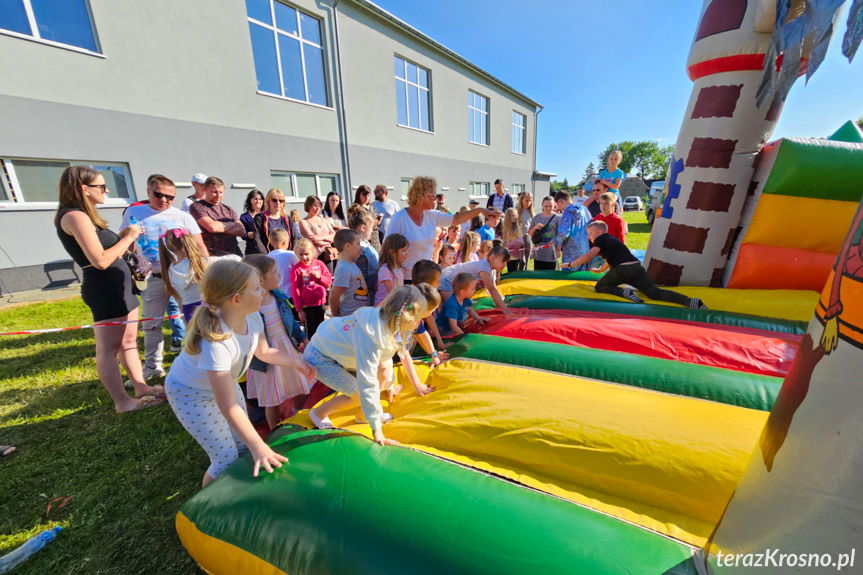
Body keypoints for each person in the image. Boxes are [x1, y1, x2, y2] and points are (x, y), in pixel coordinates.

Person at [165, 259, 316, 486]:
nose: (262, 291)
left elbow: (264, 352)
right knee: (225, 459)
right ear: (236, 299)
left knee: (242, 446)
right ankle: (208, 502)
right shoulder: (217, 343)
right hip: (191, 395)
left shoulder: (252, 316)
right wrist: (259, 446)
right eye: (256, 288)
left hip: (225, 385)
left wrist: (295, 361)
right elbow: (228, 407)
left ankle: (239, 490)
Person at [55, 166, 164, 412]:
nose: (106, 191)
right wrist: (127, 238)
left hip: (120, 286)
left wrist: (124, 238)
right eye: (102, 186)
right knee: (108, 349)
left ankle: (141, 387)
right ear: (84, 189)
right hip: (105, 289)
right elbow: (100, 261)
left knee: (128, 342)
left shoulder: (86, 216)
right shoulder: (74, 216)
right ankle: (122, 402)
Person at [304, 285, 438, 444]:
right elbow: (367, 383)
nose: (420, 323)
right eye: (418, 319)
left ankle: (363, 416)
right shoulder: (371, 337)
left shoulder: (390, 320)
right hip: (320, 357)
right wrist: (377, 432)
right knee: (358, 395)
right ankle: (318, 413)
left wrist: (389, 383)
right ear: (406, 318)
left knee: (384, 372)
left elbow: (395, 352)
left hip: (339, 350)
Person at [121, 174, 208, 380]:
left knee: (193, 318)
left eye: (170, 197)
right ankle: (153, 367)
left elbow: (200, 247)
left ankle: (197, 360)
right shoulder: (134, 213)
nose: (164, 200)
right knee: (151, 324)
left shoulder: (183, 216)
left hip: (183, 278)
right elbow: (126, 243)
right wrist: (133, 264)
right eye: (158, 195)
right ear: (148, 192)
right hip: (153, 277)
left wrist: (205, 273)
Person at [563, 221, 708, 309]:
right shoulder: (612, 240)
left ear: (599, 232)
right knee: (654, 293)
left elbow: (589, 256)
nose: (589, 236)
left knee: (601, 286)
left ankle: (624, 293)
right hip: (636, 268)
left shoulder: (600, 239)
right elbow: (610, 258)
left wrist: (570, 264)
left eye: (590, 233)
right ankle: (691, 302)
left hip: (621, 270)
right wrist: (601, 269)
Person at [243, 255, 313, 430]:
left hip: (288, 348)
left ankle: (296, 412)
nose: (279, 275)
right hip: (266, 358)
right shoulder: (252, 308)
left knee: (302, 384)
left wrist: (304, 339)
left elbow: (291, 323)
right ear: (259, 278)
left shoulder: (278, 296)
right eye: (274, 272)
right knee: (271, 399)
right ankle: (276, 429)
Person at [384, 176, 494, 283]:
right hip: (405, 278)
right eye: (433, 195)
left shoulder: (432, 215)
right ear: (421, 196)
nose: (435, 199)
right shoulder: (399, 218)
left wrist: (480, 210)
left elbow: (456, 219)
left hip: (426, 276)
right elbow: (387, 247)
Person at [160, 227, 238, 324]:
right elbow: (235, 259)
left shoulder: (170, 270)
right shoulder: (202, 263)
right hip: (210, 308)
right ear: (190, 242)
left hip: (188, 311)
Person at [438, 245, 512, 314]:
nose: (505, 264)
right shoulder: (484, 266)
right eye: (503, 261)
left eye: (506, 262)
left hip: (453, 278)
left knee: (454, 305)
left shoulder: (491, 270)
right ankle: (442, 320)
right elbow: (491, 289)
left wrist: (501, 303)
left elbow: (493, 288)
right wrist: (505, 310)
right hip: (447, 277)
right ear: (492, 258)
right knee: (451, 306)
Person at [189, 177, 245, 257]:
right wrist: (233, 224)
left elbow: (241, 231)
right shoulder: (197, 206)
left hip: (234, 254)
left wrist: (219, 226)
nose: (218, 195)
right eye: (214, 192)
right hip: (212, 256)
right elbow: (212, 227)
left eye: (221, 192)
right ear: (205, 190)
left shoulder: (228, 209)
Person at [290, 238, 333, 338]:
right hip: (307, 305)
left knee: (321, 327)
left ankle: (322, 344)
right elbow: (295, 290)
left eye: (306, 254)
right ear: (296, 254)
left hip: (321, 303)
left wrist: (319, 277)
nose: (304, 257)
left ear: (312, 252)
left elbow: (329, 282)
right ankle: (312, 345)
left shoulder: (319, 264)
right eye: (301, 254)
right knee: (311, 330)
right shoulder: (296, 270)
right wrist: (299, 310)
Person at [329, 229, 369, 317]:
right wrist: (335, 317)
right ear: (347, 246)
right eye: (358, 243)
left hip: (358, 316)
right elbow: (334, 295)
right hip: (349, 318)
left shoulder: (351, 264)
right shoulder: (344, 268)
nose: (361, 247)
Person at [436, 272, 489, 337]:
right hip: (444, 329)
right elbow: (453, 326)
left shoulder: (465, 298)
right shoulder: (452, 305)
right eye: (472, 289)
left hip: (456, 324)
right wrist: (464, 336)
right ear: (463, 292)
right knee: (453, 335)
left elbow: (470, 310)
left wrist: (479, 318)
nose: (475, 290)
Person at [553, 190, 592, 271]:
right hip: (585, 250)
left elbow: (564, 233)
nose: (557, 207)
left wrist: (556, 242)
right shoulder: (585, 209)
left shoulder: (568, 211)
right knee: (581, 276)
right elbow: (591, 226)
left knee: (568, 276)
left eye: (557, 204)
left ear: (560, 201)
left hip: (571, 252)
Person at [348, 205, 379, 305]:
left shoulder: (365, 242)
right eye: (371, 228)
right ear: (363, 228)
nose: (372, 231)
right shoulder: (358, 250)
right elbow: (362, 280)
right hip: (367, 297)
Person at [298, 195, 337, 274]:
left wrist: (321, 238)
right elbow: (313, 240)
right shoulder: (303, 222)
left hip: (329, 254)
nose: (318, 208)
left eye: (319, 206)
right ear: (308, 205)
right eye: (315, 205)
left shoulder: (324, 220)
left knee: (330, 277)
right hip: (315, 256)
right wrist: (328, 240)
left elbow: (334, 235)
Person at [253, 188, 292, 254]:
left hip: (287, 255)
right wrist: (267, 256)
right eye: (274, 200)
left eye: (281, 200)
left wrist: (290, 254)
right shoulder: (260, 218)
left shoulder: (288, 219)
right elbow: (258, 239)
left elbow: (294, 239)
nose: (278, 203)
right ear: (268, 201)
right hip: (268, 256)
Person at [528, 196, 560, 270]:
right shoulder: (536, 217)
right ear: (542, 206)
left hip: (551, 253)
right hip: (538, 253)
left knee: (550, 275)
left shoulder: (558, 218)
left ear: (554, 206)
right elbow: (530, 233)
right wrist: (535, 227)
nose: (548, 208)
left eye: (550, 206)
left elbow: (560, 235)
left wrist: (558, 250)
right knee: (538, 275)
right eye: (546, 206)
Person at [376, 233, 408, 306]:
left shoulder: (400, 269)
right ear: (392, 252)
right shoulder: (385, 270)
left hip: (394, 305)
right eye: (403, 250)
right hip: (383, 307)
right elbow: (392, 292)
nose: (407, 253)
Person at [266, 228, 298, 300]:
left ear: (271, 243)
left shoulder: (267, 257)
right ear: (284, 242)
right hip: (291, 292)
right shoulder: (290, 254)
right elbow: (298, 267)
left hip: (276, 294)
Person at [353, 185, 382, 252]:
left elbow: (375, 222)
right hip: (363, 236)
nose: (366, 198)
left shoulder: (371, 206)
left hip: (375, 235)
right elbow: (354, 224)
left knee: (377, 254)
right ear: (358, 195)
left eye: (368, 195)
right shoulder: (355, 208)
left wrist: (378, 221)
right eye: (364, 195)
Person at [501, 207, 526, 273]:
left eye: (515, 215)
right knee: (509, 272)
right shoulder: (505, 227)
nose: (514, 217)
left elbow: (520, 242)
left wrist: (509, 244)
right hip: (508, 255)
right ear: (507, 217)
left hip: (516, 256)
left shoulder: (517, 227)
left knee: (514, 273)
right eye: (512, 216)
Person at [239, 189, 264, 256]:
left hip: (267, 249)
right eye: (255, 199)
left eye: (260, 199)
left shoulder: (266, 215)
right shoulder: (244, 217)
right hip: (253, 250)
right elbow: (243, 234)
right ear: (250, 200)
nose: (258, 201)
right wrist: (250, 235)